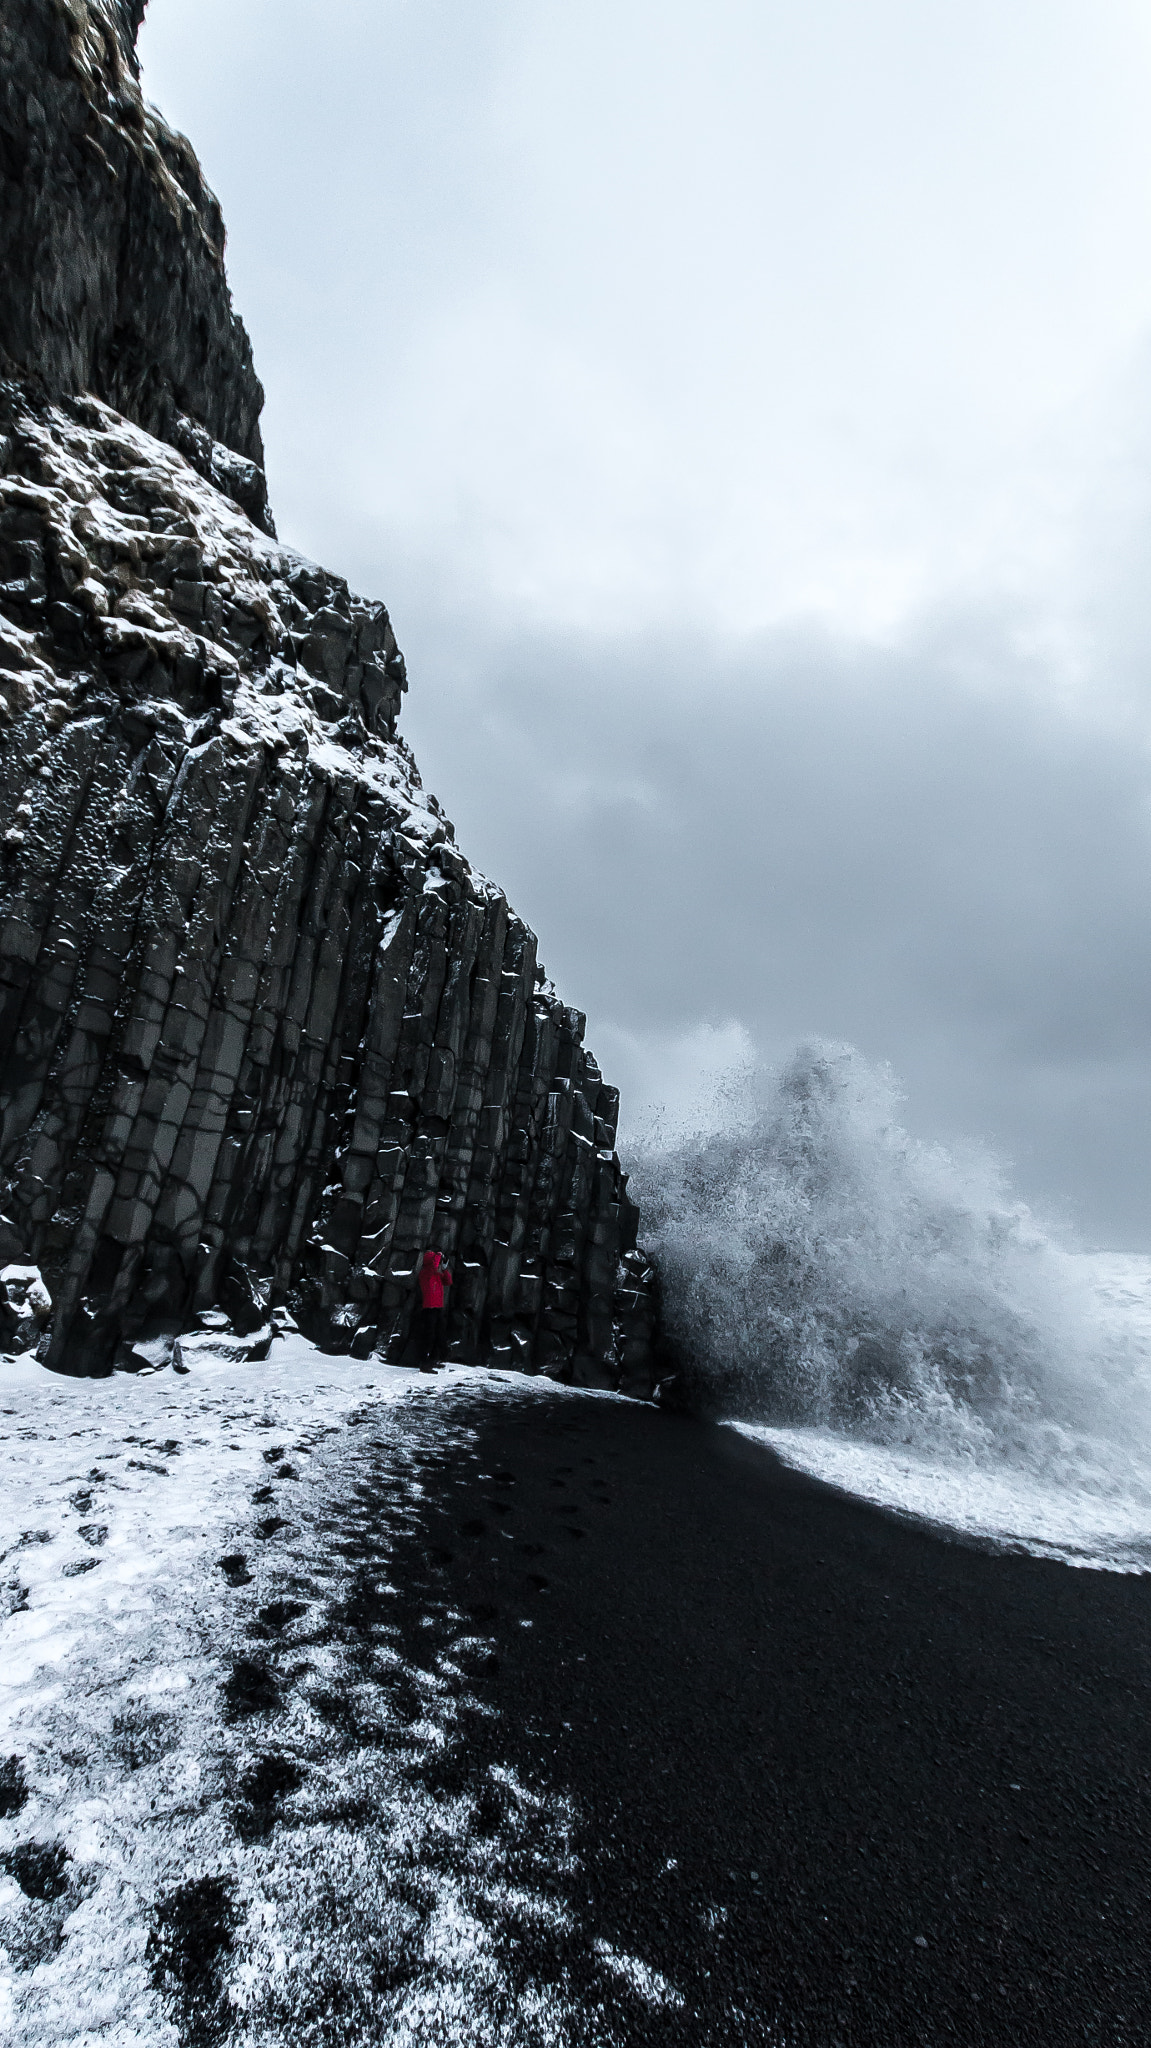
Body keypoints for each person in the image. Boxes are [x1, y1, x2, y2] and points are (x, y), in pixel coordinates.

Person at [414, 1246, 453, 1370]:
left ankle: (433, 1359)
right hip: (428, 1308)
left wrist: (445, 1269)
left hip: (437, 1307)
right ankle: (424, 1362)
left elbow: (448, 1281)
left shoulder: (436, 1274)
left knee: (438, 1334)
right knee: (428, 1335)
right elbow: (432, 1267)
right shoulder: (425, 1273)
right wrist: (439, 1255)